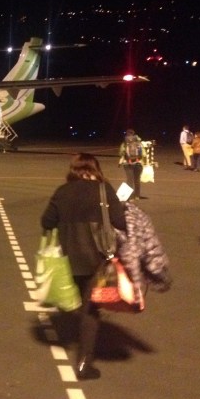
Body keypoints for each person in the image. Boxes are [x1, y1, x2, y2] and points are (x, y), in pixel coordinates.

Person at [41, 153, 126, 381]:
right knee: (91, 309)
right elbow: (120, 220)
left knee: (81, 300)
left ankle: (78, 329)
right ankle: (83, 363)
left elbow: (46, 221)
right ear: (95, 169)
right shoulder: (103, 189)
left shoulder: (62, 192)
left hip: (69, 257)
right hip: (96, 258)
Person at [118, 128, 144, 200]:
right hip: (138, 163)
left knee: (129, 180)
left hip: (127, 163)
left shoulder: (124, 143)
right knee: (137, 179)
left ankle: (130, 196)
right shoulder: (139, 143)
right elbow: (143, 154)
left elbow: (121, 153)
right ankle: (137, 196)